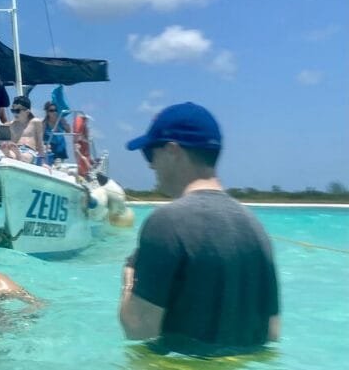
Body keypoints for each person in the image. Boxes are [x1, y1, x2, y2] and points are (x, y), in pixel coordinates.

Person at [119, 102, 281, 356]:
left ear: (173, 151)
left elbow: (138, 329)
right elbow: (271, 332)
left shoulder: (165, 223)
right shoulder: (256, 228)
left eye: (151, 154)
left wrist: (129, 280)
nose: (151, 166)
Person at [0, 95, 45, 163]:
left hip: (30, 151)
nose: (15, 113)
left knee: (26, 156)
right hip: (16, 148)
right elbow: (13, 143)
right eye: (13, 110)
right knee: (12, 154)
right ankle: (10, 155)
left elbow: (40, 143)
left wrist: (43, 162)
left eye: (17, 110)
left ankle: (18, 156)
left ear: (27, 111)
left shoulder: (36, 122)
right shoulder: (13, 125)